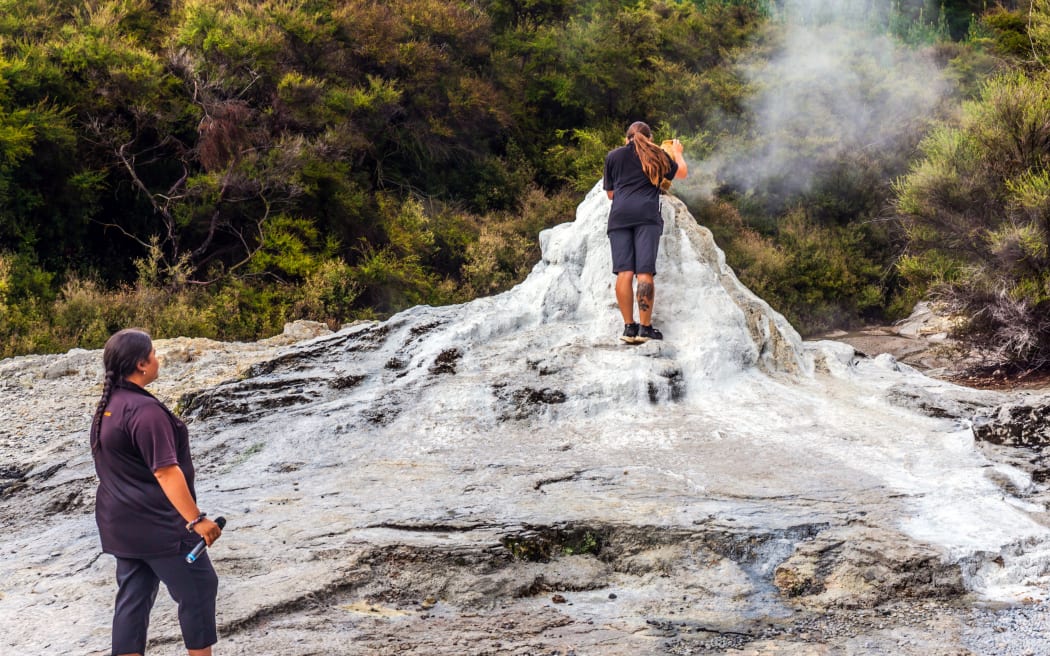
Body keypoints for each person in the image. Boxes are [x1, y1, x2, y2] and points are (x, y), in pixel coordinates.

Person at [90, 328, 223, 656]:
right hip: (160, 527)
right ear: (141, 365)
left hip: (121, 525)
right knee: (199, 589)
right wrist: (196, 520)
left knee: (133, 599)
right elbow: (165, 471)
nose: (157, 359)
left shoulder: (110, 405)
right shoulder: (145, 412)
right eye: (153, 354)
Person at [603, 121, 688, 343]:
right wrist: (677, 153)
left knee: (624, 272)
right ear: (649, 138)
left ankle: (628, 328)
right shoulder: (658, 154)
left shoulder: (613, 156)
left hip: (619, 217)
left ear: (627, 138)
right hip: (646, 217)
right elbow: (681, 174)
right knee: (644, 273)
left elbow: (610, 194)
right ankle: (645, 328)